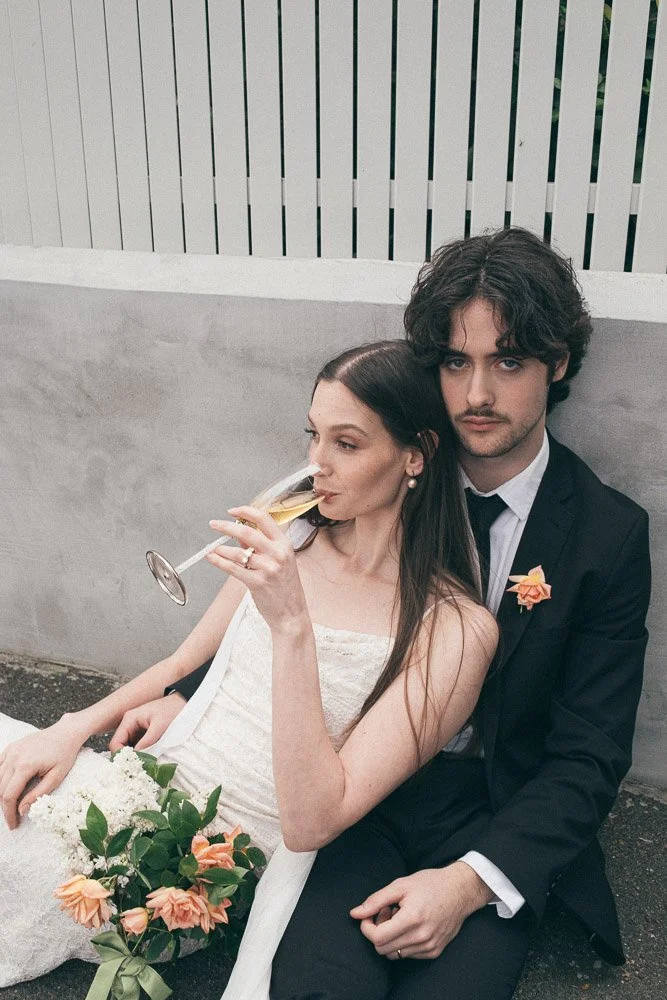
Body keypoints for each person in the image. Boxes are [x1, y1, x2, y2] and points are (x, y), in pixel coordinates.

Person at [157, 228, 652, 1000]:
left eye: (508, 361)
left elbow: (588, 754)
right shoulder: (379, 465)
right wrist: (177, 699)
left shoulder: (606, 535)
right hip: (361, 791)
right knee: (316, 988)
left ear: (556, 364)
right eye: (455, 362)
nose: (477, 394)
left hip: (491, 812)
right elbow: (279, 591)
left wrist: (469, 882)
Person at [0, 341, 497, 989]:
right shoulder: (292, 527)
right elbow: (187, 657)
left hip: (195, 868)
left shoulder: (454, 630)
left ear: (415, 454)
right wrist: (70, 728)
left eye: (346, 444)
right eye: (313, 436)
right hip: (139, 787)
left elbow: (314, 819)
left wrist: (292, 624)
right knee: (19, 773)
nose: (315, 464)